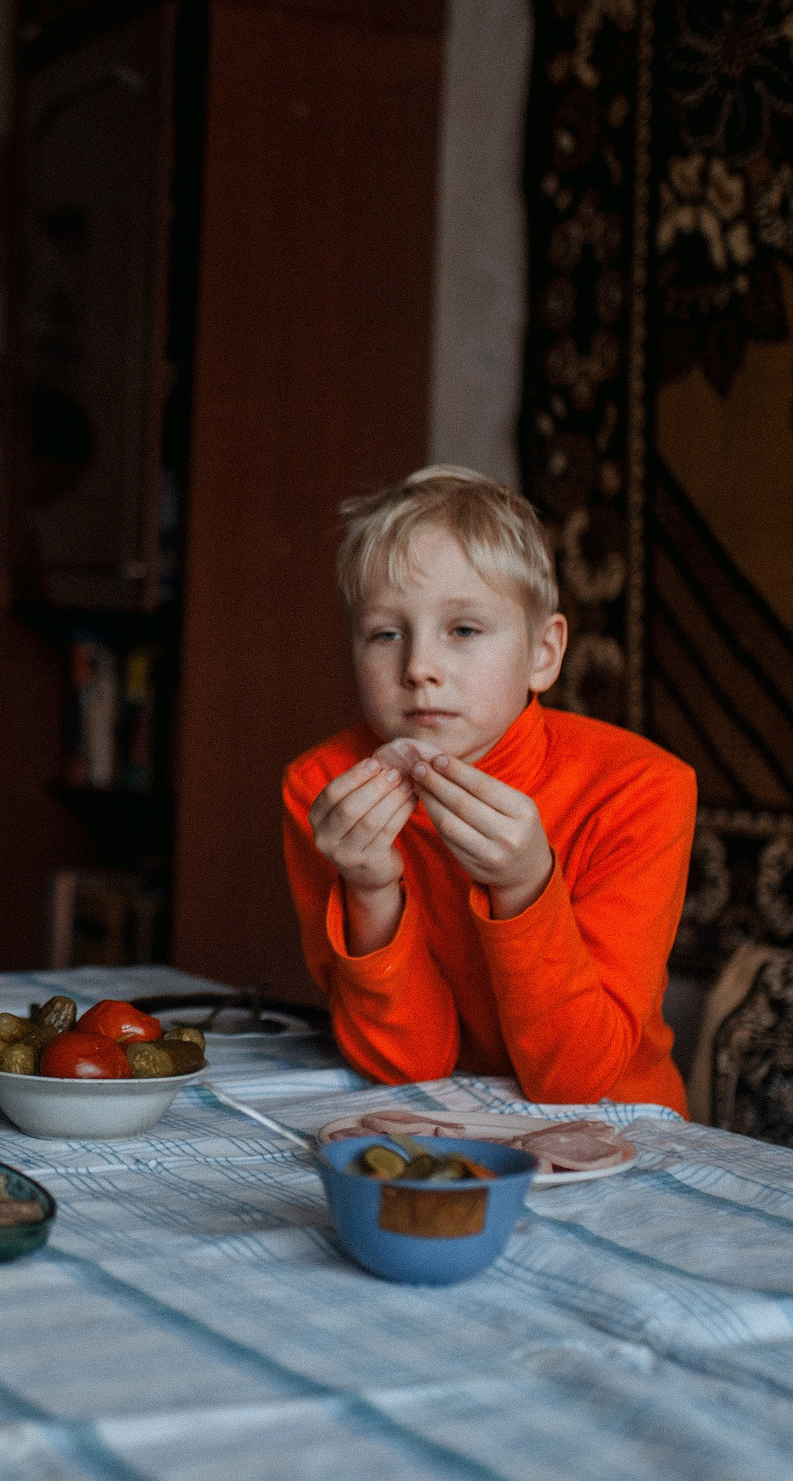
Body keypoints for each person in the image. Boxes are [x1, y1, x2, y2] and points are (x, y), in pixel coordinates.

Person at [280, 466, 694, 1114]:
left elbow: (575, 1079)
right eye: (385, 633)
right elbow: (405, 1063)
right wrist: (368, 889)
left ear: (543, 652)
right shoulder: (327, 790)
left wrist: (528, 885)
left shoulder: (640, 789)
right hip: (438, 1122)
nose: (418, 667)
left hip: (621, 1131)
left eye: (463, 629)